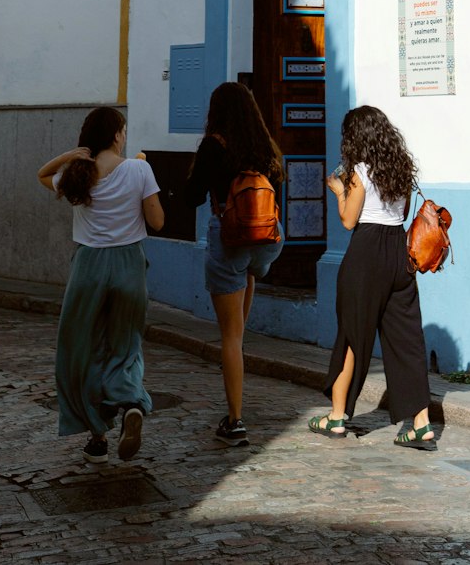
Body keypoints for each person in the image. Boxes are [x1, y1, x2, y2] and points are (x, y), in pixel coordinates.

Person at [38, 106, 164, 465]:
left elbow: (42, 175)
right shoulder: (139, 169)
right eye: (122, 131)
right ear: (116, 134)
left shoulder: (78, 174)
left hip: (89, 266)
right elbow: (156, 221)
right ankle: (131, 407)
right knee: (125, 345)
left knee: (83, 346)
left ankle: (96, 434)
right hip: (128, 265)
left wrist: (68, 156)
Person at [311, 105, 436, 450]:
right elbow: (404, 212)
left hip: (366, 254)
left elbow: (349, 221)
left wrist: (339, 192)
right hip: (398, 253)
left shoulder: (358, 173)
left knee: (354, 333)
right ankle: (421, 424)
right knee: (407, 338)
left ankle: (337, 415)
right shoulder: (399, 169)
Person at [184, 80, 284, 447]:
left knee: (230, 336)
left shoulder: (215, 146)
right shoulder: (264, 144)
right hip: (266, 241)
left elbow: (194, 196)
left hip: (229, 237)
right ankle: (236, 404)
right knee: (240, 325)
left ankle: (235, 421)